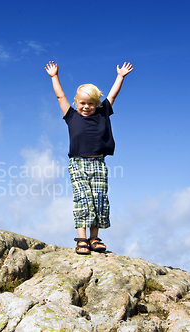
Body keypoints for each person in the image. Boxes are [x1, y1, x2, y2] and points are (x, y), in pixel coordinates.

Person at [45, 61, 133, 254]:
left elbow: (113, 95)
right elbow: (60, 96)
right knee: (83, 199)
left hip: (99, 163)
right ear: (76, 103)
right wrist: (54, 76)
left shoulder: (103, 114)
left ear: (97, 104)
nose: (86, 107)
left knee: (99, 200)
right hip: (77, 163)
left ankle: (94, 238)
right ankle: (82, 239)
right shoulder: (71, 116)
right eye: (82, 103)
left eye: (90, 104)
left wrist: (120, 76)